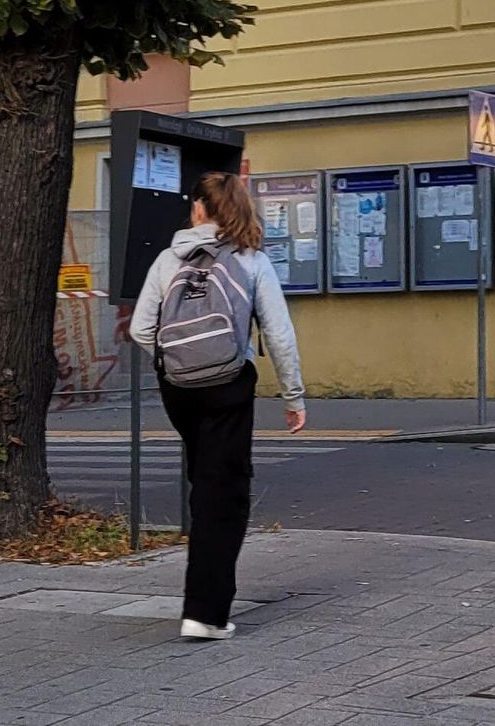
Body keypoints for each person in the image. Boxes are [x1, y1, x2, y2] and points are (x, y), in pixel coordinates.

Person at [129, 171, 305, 642]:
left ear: (201, 209)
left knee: (203, 483)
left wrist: (177, 362)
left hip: (179, 388)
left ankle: (201, 605)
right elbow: (279, 335)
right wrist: (293, 396)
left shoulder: (169, 259)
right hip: (229, 383)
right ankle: (205, 613)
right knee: (223, 495)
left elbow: (141, 330)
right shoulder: (252, 260)